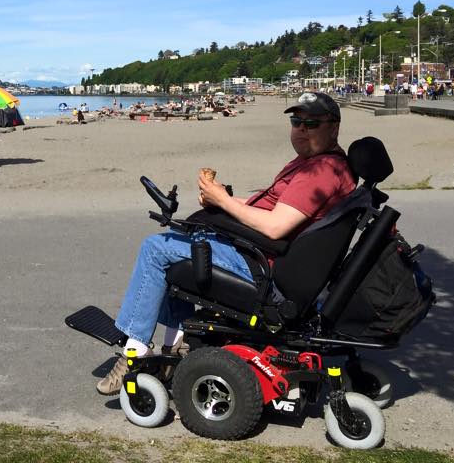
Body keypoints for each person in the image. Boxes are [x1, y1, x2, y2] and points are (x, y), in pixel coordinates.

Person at [95, 92, 356, 395]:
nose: (301, 129)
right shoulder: (320, 164)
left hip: (263, 266)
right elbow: (276, 210)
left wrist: (222, 201)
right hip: (268, 256)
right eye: (296, 121)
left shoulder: (320, 171)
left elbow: (274, 226)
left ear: (334, 127)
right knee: (180, 239)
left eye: (311, 123)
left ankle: (135, 351)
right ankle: (173, 344)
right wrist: (225, 201)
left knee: (157, 249)